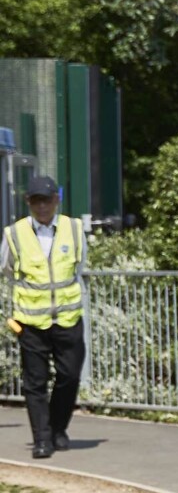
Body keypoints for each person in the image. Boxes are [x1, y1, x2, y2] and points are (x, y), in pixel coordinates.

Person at [2, 175, 87, 459]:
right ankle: (42, 439)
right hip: (31, 323)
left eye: (46, 200)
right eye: (36, 200)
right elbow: (7, 269)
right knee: (34, 384)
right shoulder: (14, 234)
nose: (42, 206)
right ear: (28, 202)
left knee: (70, 376)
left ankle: (57, 427)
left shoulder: (74, 229)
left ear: (56, 200)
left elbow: (80, 266)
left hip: (68, 319)